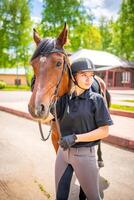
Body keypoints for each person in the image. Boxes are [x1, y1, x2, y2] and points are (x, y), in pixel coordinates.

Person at [42, 57, 113, 200]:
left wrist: (76, 138)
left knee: (93, 197)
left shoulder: (97, 100)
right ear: (73, 77)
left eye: (91, 76)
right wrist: (39, 105)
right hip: (63, 155)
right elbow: (46, 118)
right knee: (60, 196)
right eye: (83, 75)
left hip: (85, 155)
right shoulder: (64, 100)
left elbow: (104, 131)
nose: (89, 79)